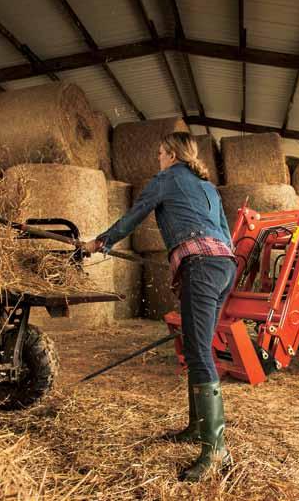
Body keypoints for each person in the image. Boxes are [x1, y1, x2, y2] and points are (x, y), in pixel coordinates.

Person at [82, 132, 236, 482]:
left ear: (170, 154)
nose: (157, 158)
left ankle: (216, 449)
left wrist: (99, 243)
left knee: (198, 353)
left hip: (200, 265)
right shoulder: (208, 187)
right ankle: (198, 427)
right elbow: (225, 235)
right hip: (224, 266)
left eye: (159, 153)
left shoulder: (167, 179)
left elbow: (135, 215)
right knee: (199, 348)